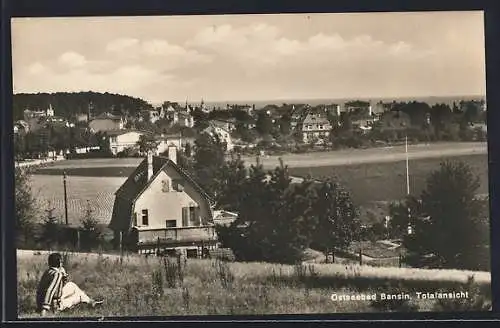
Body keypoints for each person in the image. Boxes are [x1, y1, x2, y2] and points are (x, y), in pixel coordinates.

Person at [36, 252, 103, 316]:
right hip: (54, 306)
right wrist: (44, 309)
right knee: (79, 296)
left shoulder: (48, 271)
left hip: (40, 301)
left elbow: (58, 287)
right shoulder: (57, 274)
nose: (62, 263)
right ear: (58, 263)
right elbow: (50, 290)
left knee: (71, 285)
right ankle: (90, 302)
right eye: (61, 262)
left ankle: (90, 301)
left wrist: (63, 277)